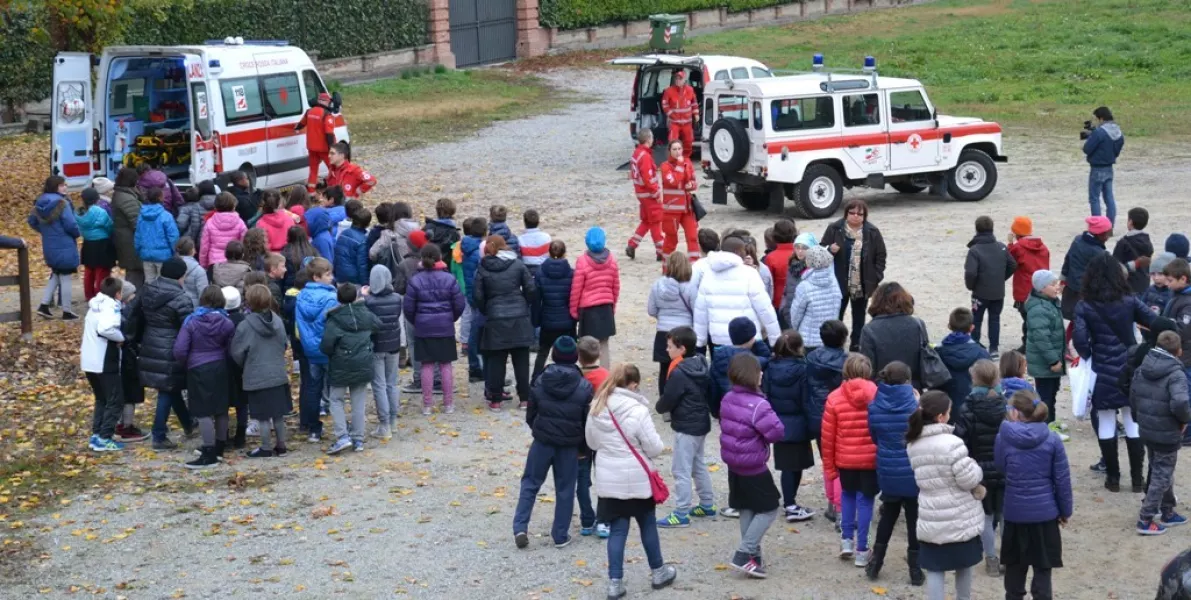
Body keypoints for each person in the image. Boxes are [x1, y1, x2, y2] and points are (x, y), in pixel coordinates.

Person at [585, 364, 675, 597]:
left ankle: (615, 582)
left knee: (617, 531)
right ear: (633, 384)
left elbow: (592, 443)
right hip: (637, 478)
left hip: (609, 478)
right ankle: (658, 571)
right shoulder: (637, 410)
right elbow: (653, 447)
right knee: (647, 524)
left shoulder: (597, 406)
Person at [1073, 252, 1157, 492]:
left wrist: (1091, 356)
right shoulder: (1130, 300)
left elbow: (1079, 339)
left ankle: (1112, 478)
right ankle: (1138, 479)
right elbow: (1154, 321)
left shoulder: (1084, 305)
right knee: (1132, 420)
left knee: (1107, 421)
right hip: (1131, 367)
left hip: (1102, 369)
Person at [513, 335, 593, 549]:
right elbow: (587, 422)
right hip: (569, 445)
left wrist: (538, 430)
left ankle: (520, 526)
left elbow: (531, 413)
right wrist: (583, 448)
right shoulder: (584, 387)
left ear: (553, 355)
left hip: (543, 442)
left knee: (530, 483)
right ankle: (560, 534)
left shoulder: (540, 380)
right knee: (565, 488)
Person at [905, 391, 985, 600]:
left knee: (935, 569)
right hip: (959, 515)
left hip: (931, 515)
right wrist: (976, 468)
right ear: (941, 416)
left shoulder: (913, 444)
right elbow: (968, 479)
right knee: (963, 565)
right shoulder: (952, 443)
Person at [995, 390, 1073, 598]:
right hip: (1045, 514)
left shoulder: (1003, 438)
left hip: (1015, 512)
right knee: (1042, 568)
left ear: (1017, 413)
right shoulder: (1053, 439)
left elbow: (1001, 466)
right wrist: (1065, 510)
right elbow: (1062, 479)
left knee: (1014, 567)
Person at [720, 353, 785, 578]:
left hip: (734, 465)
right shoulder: (758, 405)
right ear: (753, 375)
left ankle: (752, 559)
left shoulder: (727, 398)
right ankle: (744, 552)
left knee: (747, 507)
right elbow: (777, 432)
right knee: (769, 507)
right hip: (754, 466)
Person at [866, 360, 923, 584]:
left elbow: (874, 437)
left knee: (888, 516)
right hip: (911, 468)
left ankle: (876, 563)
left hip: (887, 468)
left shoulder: (875, 405)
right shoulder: (915, 406)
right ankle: (915, 569)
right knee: (913, 519)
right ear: (908, 380)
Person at [821, 353, 879, 566]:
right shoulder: (878, 394)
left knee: (847, 496)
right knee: (866, 501)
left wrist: (829, 466)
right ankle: (862, 549)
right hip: (871, 459)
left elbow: (827, 436)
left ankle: (846, 540)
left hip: (845, 458)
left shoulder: (834, 398)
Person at [655, 326, 716, 527]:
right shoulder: (700, 362)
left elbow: (668, 398)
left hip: (686, 425)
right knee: (698, 464)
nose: (667, 350)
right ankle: (707, 503)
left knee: (681, 469)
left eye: (670, 346)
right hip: (700, 421)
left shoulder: (679, 373)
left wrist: (660, 407)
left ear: (681, 349)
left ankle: (681, 512)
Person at [1132, 330, 1191, 535]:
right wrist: (1184, 420)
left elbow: (1133, 393)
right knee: (1162, 474)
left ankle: (1167, 510)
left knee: (1161, 469)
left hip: (1148, 428)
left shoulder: (1143, 366)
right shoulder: (1176, 374)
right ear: (1179, 350)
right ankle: (1146, 519)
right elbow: (1181, 401)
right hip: (1167, 430)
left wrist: (1138, 417)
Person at [953, 359, 1007, 576]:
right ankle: (1009, 555)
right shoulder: (1005, 405)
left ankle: (991, 558)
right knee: (1004, 513)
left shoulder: (967, 407)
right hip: (1004, 466)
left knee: (986, 515)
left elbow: (960, 439)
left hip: (979, 469)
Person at [173, 284, 235, 468]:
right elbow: (231, 347)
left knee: (203, 410)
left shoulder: (192, 321)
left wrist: (187, 362)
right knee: (220, 407)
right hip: (220, 366)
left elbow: (180, 349)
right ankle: (220, 446)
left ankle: (208, 453)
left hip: (198, 366)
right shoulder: (227, 322)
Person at [474, 236, 536, 411]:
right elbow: (530, 288)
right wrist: (524, 303)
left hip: (495, 317)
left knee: (496, 361)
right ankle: (524, 398)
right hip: (519, 316)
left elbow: (478, 295)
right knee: (521, 361)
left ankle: (495, 399)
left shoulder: (483, 267)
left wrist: (487, 309)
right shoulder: (517, 264)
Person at [405, 244, 465, 415]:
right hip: (445, 326)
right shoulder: (449, 279)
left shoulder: (415, 280)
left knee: (427, 365)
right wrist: (450, 318)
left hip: (423, 327)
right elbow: (459, 303)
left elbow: (408, 307)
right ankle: (448, 404)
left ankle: (427, 405)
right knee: (446, 364)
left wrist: (417, 321)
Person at [320, 283, 380, 455]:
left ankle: (342, 436)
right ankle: (358, 438)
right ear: (356, 297)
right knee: (358, 402)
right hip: (363, 362)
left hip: (340, 364)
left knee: (336, 399)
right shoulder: (365, 314)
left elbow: (326, 346)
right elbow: (378, 324)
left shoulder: (334, 319)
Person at [763, 330, 816, 523]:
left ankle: (790, 502)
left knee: (788, 465)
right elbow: (805, 398)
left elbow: (766, 394)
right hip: (798, 421)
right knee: (794, 466)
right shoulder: (803, 369)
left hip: (778, 421)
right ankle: (790, 504)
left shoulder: (769, 368)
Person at [694, 236, 781, 351]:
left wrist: (700, 341)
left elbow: (701, 311)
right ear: (737, 251)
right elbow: (764, 308)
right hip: (748, 338)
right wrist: (775, 339)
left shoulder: (708, 275)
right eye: (744, 250)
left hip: (719, 339)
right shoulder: (749, 273)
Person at [822, 199, 887, 351]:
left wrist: (876, 277)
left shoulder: (872, 232)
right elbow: (820, 251)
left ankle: (856, 344)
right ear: (846, 213)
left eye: (860, 213)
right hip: (838, 282)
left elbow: (881, 256)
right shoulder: (834, 228)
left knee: (859, 317)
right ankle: (834, 343)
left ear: (864, 216)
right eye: (852, 213)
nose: (856, 216)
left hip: (861, 283)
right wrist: (829, 250)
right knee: (836, 314)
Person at [295, 258, 339, 442]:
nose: (331, 277)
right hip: (327, 350)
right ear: (316, 277)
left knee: (313, 388)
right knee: (335, 389)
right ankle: (340, 427)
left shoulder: (301, 296)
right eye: (327, 274)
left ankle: (313, 428)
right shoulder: (331, 298)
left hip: (310, 349)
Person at [82, 277, 127, 452]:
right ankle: (105, 436)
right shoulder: (112, 307)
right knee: (115, 400)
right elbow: (105, 329)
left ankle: (97, 434)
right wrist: (121, 338)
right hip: (104, 360)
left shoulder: (95, 306)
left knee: (101, 398)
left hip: (89, 359)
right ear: (118, 293)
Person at [964, 216, 1016, 358]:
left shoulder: (974, 250)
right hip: (997, 292)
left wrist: (971, 286)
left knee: (976, 318)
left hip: (979, 292)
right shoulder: (1001, 247)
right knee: (995, 319)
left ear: (977, 229)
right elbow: (1013, 265)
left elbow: (970, 272)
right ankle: (994, 349)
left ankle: (974, 345)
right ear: (992, 229)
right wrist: (1000, 278)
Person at [29, 176, 81, 320]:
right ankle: (67, 310)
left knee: (56, 273)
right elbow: (70, 224)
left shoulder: (39, 203)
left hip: (49, 244)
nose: (65, 187)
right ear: (55, 187)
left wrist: (46, 232)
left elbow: (31, 221)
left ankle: (44, 305)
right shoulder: (62, 203)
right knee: (65, 276)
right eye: (62, 185)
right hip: (64, 243)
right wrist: (77, 234)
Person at [860, 282, 928, 388]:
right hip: (912, 389)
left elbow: (868, 369)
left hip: (882, 391)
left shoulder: (869, 330)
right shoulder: (918, 324)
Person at [570, 227, 620, 369]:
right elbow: (615, 286)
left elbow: (576, 288)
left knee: (586, 346)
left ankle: (587, 375)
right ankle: (605, 377)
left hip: (588, 309)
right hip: (606, 307)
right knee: (604, 345)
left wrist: (574, 309)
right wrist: (613, 305)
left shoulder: (582, 261)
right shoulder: (612, 260)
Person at [710, 317, 773, 423]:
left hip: (727, 412)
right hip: (750, 413)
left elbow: (713, 388)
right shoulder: (753, 361)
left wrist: (716, 412)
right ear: (752, 338)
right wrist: (760, 345)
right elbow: (767, 359)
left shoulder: (718, 358)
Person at [364, 264, 402, 436]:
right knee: (392, 383)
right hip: (393, 345)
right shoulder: (397, 298)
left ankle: (384, 425)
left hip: (376, 346)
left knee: (378, 385)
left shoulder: (368, 302)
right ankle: (393, 421)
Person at [647, 253, 694, 395]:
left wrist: (662, 317)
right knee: (685, 367)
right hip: (685, 331)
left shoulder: (657, 285)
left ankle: (665, 400)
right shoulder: (690, 287)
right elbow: (695, 308)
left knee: (665, 369)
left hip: (663, 331)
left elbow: (651, 310)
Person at [1025, 270, 1066, 423]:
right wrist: (1053, 361)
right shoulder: (1039, 309)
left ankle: (1051, 422)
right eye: (1052, 284)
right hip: (1045, 363)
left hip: (1051, 361)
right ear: (1041, 288)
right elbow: (1041, 339)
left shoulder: (1050, 303)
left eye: (1057, 284)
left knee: (1053, 393)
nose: (1057, 287)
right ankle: (1045, 426)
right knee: (1045, 396)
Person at [533, 241, 576, 380]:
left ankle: (534, 380)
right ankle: (570, 380)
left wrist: (536, 320)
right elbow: (573, 298)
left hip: (548, 320)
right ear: (564, 253)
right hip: (567, 322)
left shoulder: (540, 272)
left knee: (543, 353)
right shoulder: (571, 273)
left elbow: (536, 300)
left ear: (549, 252)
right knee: (569, 355)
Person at [1007, 216, 1050, 352]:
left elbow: (1008, 260)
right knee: (1037, 318)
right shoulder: (1043, 247)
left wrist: (1010, 243)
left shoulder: (1017, 248)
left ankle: (1028, 344)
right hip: (1042, 288)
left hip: (1024, 290)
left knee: (1028, 319)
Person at [1059, 216, 1113, 320]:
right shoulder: (1098, 253)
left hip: (1071, 287)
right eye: (1107, 233)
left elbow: (1068, 258)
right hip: (1086, 293)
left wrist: (1063, 278)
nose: (1108, 237)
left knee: (1075, 320)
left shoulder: (1078, 239)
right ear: (1100, 234)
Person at [938, 307, 991, 412]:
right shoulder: (982, 353)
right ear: (972, 328)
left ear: (949, 326)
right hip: (973, 409)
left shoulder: (937, 352)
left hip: (945, 409)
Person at [788, 245, 842, 349]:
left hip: (808, 340)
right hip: (829, 338)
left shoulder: (804, 286)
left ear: (808, 262)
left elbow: (795, 314)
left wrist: (796, 330)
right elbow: (837, 307)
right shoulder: (834, 281)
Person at [114, 280, 148, 443]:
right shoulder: (135, 310)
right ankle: (126, 427)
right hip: (130, 355)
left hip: (123, 355)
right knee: (130, 393)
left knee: (124, 391)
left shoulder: (123, 310)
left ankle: (122, 424)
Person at [1083, 106, 1125, 226]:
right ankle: (1110, 226)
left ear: (1101, 118)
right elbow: (1118, 146)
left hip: (1097, 168)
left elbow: (1087, 149)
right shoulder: (1118, 131)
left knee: (1094, 199)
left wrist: (1090, 137)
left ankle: (1097, 226)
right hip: (1109, 167)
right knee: (1109, 198)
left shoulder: (1100, 132)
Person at [626, 129, 664, 262]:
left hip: (640, 193)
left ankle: (632, 245)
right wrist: (656, 193)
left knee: (647, 221)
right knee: (655, 222)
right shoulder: (645, 156)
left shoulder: (636, 153)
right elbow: (648, 178)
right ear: (649, 139)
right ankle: (661, 251)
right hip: (649, 194)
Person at [659, 139, 699, 262]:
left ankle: (694, 264)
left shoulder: (687, 163)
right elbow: (674, 181)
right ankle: (666, 267)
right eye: (674, 149)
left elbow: (693, 181)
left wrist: (691, 185)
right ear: (669, 151)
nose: (677, 152)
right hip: (672, 211)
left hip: (687, 209)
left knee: (692, 237)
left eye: (679, 149)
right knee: (671, 240)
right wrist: (680, 166)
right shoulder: (665, 166)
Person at [459, 217, 487, 381]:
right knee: (478, 333)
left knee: (475, 331)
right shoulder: (479, 251)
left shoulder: (467, 247)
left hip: (471, 292)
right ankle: (477, 368)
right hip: (478, 294)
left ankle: (477, 367)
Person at [77, 188, 116, 301]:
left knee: (89, 271)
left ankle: (89, 295)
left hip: (88, 243)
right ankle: (101, 295)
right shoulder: (100, 211)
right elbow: (109, 226)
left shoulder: (79, 211)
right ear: (96, 199)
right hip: (102, 243)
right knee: (101, 271)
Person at [295, 92, 338, 191]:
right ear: (327, 102)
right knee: (333, 169)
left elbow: (301, 124)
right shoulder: (327, 115)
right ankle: (334, 190)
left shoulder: (309, 112)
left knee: (313, 170)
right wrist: (332, 149)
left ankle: (311, 192)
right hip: (324, 149)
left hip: (312, 148)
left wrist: (296, 128)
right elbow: (329, 134)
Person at [111, 168, 145, 289]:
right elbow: (137, 223)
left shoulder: (123, 194)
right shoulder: (126, 199)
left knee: (135, 274)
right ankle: (132, 304)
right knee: (134, 277)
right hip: (131, 243)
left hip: (128, 242)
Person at [779, 232, 817, 333]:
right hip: (790, 314)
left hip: (810, 318)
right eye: (797, 247)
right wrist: (784, 309)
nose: (800, 251)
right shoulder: (792, 266)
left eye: (804, 247)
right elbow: (787, 291)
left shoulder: (816, 268)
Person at [199, 192, 247, 269]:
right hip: (234, 262)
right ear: (233, 206)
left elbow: (204, 246)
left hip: (214, 263)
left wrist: (203, 265)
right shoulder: (240, 223)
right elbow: (244, 243)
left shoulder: (209, 222)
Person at [1113, 207, 1153, 296]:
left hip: (1128, 286)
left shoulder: (1123, 242)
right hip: (1144, 284)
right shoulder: (1147, 240)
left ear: (1130, 222)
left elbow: (1115, 266)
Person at [660, 69, 698, 160]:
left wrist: (696, 114)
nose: (678, 80)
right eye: (676, 78)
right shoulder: (668, 91)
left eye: (680, 78)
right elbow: (664, 104)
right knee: (673, 141)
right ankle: (673, 160)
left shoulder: (690, 90)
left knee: (688, 142)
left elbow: (694, 103)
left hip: (687, 123)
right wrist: (671, 114)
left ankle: (685, 159)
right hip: (674, 123)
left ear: (684, 79)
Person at [763, 219, 798, 316]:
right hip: (799, 300)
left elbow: (768, 283)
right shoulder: (801, 253)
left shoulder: (771, 257)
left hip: (778, 302)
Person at [333, 207, 370, 286]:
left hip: (340, 275)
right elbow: (362, 265)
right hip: (354, 280)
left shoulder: (343, 233)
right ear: (367, 224)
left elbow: (336, 254)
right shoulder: (363, 241)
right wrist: (365, 284)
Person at [175, 237, 208, 307]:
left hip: (175, 306)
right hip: (193, 308)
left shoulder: (171, 267)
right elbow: (203, 295)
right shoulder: (199, 271)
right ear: (192, 250)